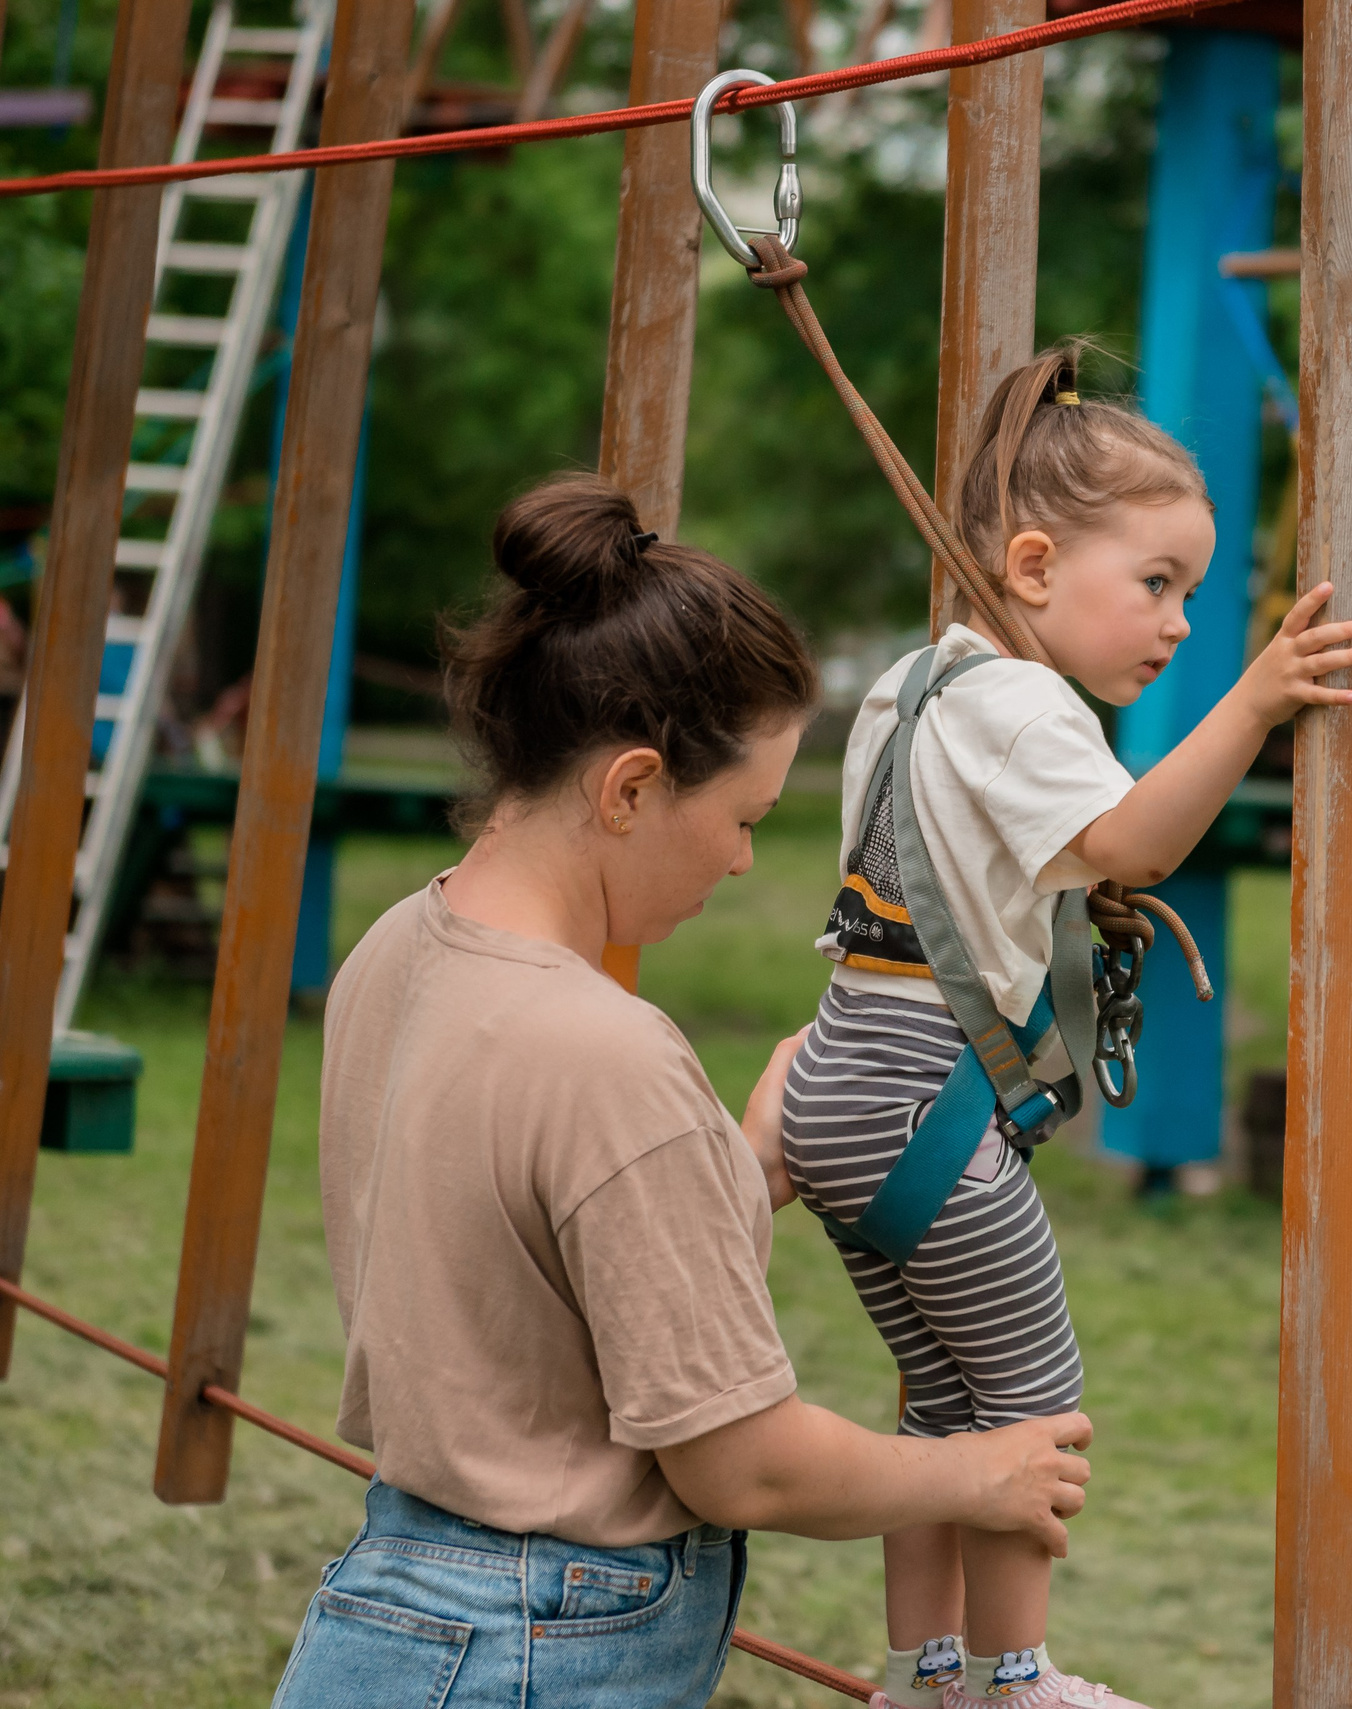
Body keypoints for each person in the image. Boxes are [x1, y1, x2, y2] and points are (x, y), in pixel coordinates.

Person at [277, 476, 1094, 1709]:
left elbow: (527, 1274)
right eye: (743, 815)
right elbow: (741, 1465)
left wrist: (741, 1163)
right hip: (541, 1649)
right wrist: (984, 1473)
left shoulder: (395, 950)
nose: (746, 858)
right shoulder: (611, 1053)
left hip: (397, 1604)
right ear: (630, 787)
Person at [783, 345, 1352, 1709]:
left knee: (941, 1403)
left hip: (844, 1073)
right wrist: (1257, 700)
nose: (1180, 623)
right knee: (1032, 1404)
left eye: (1193, 593)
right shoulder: (1021, 700)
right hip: (921, 1095)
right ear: (1035, 567)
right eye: (1156, 583)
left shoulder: (912, 684)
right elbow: (1133, 843)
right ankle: (1013, 1679)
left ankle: (923, 1670)